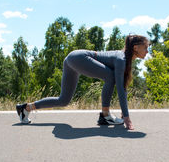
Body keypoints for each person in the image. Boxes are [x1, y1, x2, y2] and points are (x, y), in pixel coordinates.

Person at [16, 34, 149, 130]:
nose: (147, 51)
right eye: (146, 48)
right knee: (110, 77)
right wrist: (126, 117)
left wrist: (124, 113)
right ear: (136, 48)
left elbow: (123, 88)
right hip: (80, 57)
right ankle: (105, 115)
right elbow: (120, 89)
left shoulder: (124, 59)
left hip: (72, 59)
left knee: (63, 100)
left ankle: (26, 108)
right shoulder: (121, 59)